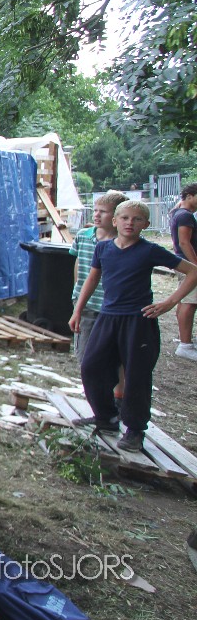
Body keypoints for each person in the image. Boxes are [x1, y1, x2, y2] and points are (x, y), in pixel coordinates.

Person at [70, 200, 197, 452]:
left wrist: (170, 302)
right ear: (115, 221)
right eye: (125, 218)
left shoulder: (149, 250)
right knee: (92, 367)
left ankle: (135, 430)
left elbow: (192, 271)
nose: (130, 223)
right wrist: (77, 310)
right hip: (108, 317)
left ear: (146, 224)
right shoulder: (103, 248)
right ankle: (106, 417)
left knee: (137, 375)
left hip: (139, 321)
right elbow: (92, 279)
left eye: (137, 219)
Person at [70, 190, 128, 364]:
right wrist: (77, 293)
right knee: (84, 354)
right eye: (95, 210)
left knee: (112, 355)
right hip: (86, 304)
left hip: (112, 306)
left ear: (116, 217)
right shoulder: (83, 236)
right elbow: (78, 264)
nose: (96, 215)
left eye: (103, 211)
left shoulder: (124, 242)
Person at [168, 184, 197, 361]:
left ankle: (184, 339)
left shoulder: (179, 213)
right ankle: (185, 346)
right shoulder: (185, 215)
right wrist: (195, 266)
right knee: (190, 302)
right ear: (189, 196)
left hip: (184, 263)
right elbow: (184, 242)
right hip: (188, 265)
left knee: (185, 300)